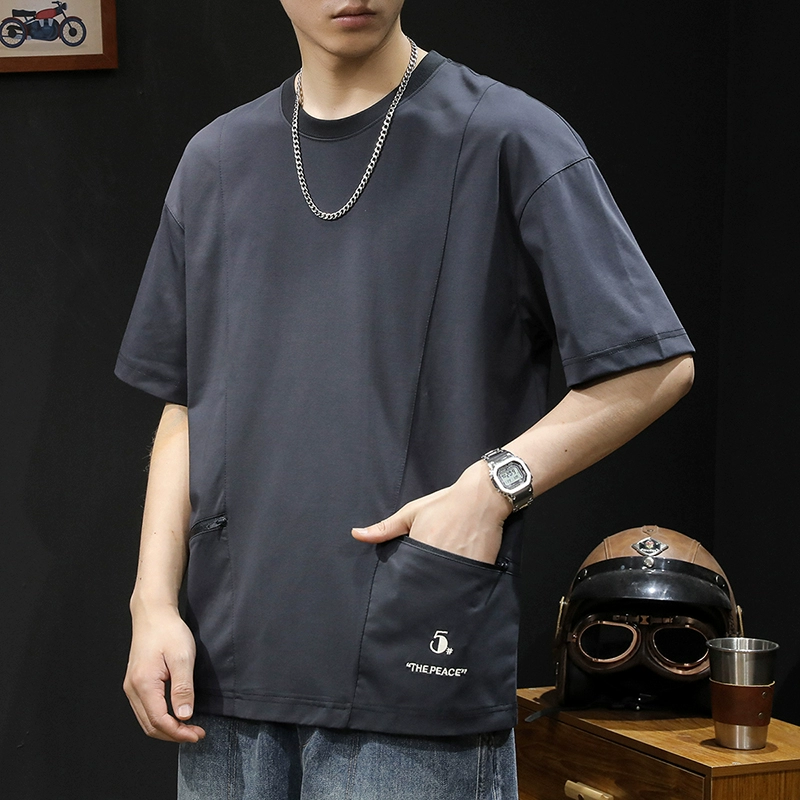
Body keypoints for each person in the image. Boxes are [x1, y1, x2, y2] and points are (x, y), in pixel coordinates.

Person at [116, 1, 695, 797]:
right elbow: (187, 404)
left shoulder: (508, 138)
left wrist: (495, 485)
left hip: (415, 658)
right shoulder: (216, 161)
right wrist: (152, 603)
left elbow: (653, 365)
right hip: (226, 669)